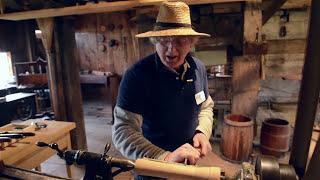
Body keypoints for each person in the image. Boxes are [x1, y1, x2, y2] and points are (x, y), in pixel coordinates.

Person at [112, 1, 215, 166]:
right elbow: (123, 132)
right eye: (164, 40)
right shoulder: (136, 76)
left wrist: (202, 131)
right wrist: (165, 158)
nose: (171, 50)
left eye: (180, 41)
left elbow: (205, 107)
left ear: (191, 42)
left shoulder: (198, 68)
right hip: (152, 166)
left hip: (189, 161)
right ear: (154, 40)